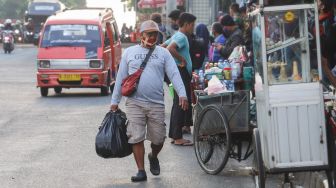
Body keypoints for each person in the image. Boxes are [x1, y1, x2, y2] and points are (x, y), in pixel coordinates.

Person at [110, 20, 188, 182]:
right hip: (134, 103)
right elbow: (120, 78)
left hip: (156, 103)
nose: (153, 37)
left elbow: (174, 74)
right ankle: (141, 171)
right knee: (136, 137)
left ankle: (153, 155)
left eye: (155, 34)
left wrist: (183, 94)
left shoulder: (163, 53)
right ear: (141, 35)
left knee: (159, 139)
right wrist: (114, 100)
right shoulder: (129, 52)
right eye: (149, 34)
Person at [162, 13, 196, 145]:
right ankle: (177, 137)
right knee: (181, 102)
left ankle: (175, 135)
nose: (193, 28)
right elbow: (169, 48)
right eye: (192, 25)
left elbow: (162, 47)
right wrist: (181, 59)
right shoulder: (181, 36)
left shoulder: (176, 35)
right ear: (186, 24)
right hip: (181, 72)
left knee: (178, 102)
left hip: (177, 71)